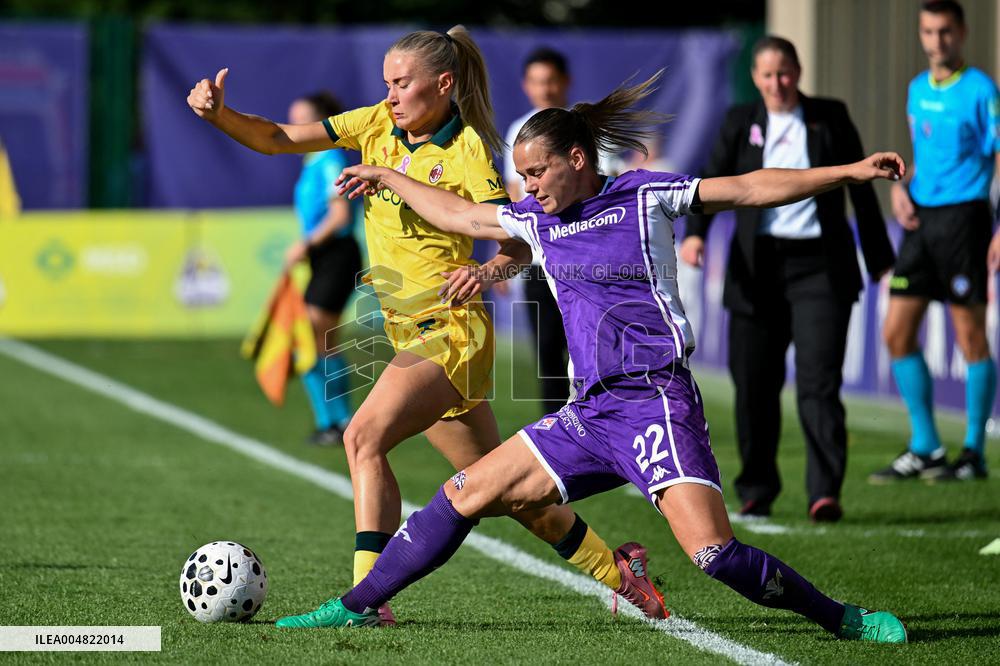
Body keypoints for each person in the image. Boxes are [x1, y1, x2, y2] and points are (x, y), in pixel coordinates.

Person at [275, 72, 909, 644]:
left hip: (655, 401)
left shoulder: (644, 196)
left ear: (577, 159)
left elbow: (746, 187)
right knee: (464, 492)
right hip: (590, 412)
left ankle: (842, 619)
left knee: (714, 556)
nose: (526, 187)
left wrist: (848, 173)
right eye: (522, 175)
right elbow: (463, 214)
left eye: (536, 173)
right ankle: (357, 603)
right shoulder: (537, 221)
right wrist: (386, 174)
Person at [186, 26, 665, 625]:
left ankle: (366, 598)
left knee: (361, 437)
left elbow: (520, 242)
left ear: (442, 85)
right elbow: (279, 138)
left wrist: (486, 272)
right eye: (386, 82)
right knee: (507, 492)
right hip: (407, 331)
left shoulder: (469, 155)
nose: (390, 95)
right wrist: (220, 115)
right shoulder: (372, 125)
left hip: (452, 333)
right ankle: (621, 570)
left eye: (401, 83)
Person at [679, 36, 895, 522]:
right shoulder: (740, 122)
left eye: (785, 73)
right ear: (755, 78)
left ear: (798, 71)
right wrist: (695, 236)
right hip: (756, 269)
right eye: (767, 75)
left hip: (820, 266)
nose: (777, 83)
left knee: (818, 383)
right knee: (754, 383)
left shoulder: (830, 116)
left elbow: (861, 183)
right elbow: (709, 182)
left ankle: (824, 492)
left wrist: (879, 255)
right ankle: (756, 487)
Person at [871, 0, 999, 483]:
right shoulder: (917, 89)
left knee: (970, 338)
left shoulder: (982, 90)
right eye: (928, 32)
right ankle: (926, 446)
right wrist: (904, 190)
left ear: (961, 33)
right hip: (921, 223)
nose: (936, 41)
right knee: (896, 333)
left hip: (966, 221)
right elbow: (928, 156)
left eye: (945, 31)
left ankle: (972, 452)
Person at [283, 91, 362, 445]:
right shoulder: (311, 160)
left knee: (315, 332)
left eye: (301, 119)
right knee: (316, 338)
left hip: (337, 253)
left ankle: (340, 421)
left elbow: (340, 215)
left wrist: (306, 243)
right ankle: (331, 422)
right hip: (323, 256)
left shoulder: (330, 158)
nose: (292, 127)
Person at [503, 48, 575, 415]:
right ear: (526, 86)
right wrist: (503, 258)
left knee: (585, 349)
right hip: (537, 260)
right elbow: (514, 199)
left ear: (565, 82)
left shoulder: (584, 126)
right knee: (547, 352)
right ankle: (555, 434)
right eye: (536, 82)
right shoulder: (518, 131)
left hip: (582, 258)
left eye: (550, 81)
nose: (544, 89)